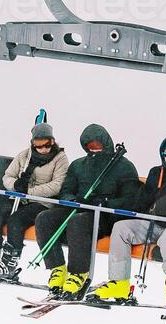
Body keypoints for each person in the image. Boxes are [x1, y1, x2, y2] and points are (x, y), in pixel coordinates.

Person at [88, 133, 166, 312]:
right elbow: (144, 199)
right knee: (122, 228)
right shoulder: (157, 173)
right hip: (155, 223)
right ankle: (119, 283)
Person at [32, 124, 141, 300]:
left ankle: (79, 274)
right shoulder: (78, 165)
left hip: (104, 216)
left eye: (98, 146)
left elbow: (130, 200)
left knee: (78, 222)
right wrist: (73, 200)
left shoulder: (123, 166)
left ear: (106, 143)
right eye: (90, 147)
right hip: (78, 209)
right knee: (45, 218)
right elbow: (66, 190)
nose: (94, 150)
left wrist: (104, 203)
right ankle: (57, 268)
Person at [0, 122, 69, 280]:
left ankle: (9, 264)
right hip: (18, 198)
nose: (44, 148)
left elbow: (57, 185)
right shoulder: (24, 156)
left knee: (16, 220)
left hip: (42, 202)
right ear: (33, 143)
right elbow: (7, 176)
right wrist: (15, 185)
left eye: (48, 144)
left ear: (53, 141)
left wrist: (30, 192)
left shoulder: (60, 159)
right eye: (39, 144)